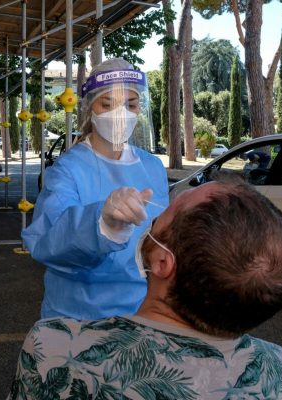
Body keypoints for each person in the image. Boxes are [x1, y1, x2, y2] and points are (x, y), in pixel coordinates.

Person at [9, 177, 282, 399]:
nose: (154, 214)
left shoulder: (56, 350)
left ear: (163, 262)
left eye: (167, 211)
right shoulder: (281, 371)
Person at [22, 58, 169, 320]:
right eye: (108, 104)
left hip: (144, 311)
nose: (121, 113)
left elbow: (163, 241)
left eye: (130, 104)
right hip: (79, 315)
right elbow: (48, 240)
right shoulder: (68, 169)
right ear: (90, 107)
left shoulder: (152, 167)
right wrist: (101, 225)